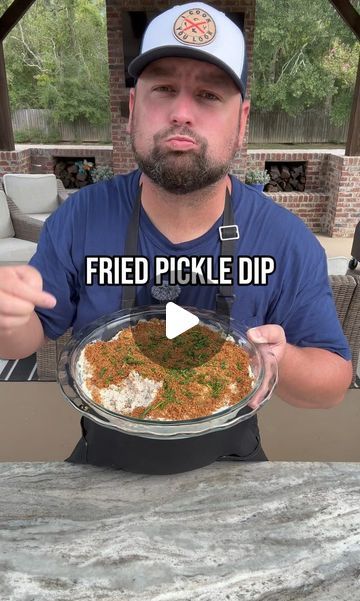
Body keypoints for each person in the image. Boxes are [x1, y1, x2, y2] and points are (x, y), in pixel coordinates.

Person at [0, 2, 352, 473]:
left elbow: (331, 386)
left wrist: (281, 359)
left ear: (242, 121)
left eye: (208, 95)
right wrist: (9, 315)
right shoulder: (79, 218)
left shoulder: (285, 240)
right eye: (164, 89)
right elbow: (25, 340)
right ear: (133, 108)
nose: (182, 112)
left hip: (231, 464)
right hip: (106, 462)